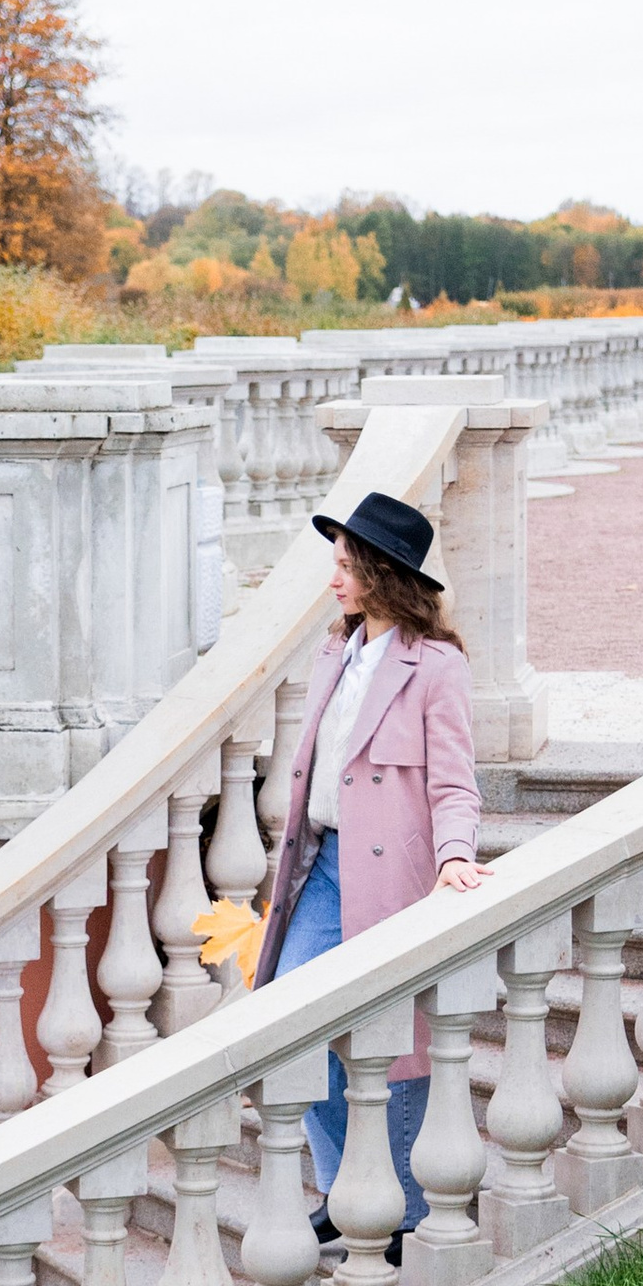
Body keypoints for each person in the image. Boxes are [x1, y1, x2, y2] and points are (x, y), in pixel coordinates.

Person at [257, 486, 488, 1244]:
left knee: (393, 1047)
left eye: (347, 566)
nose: (334, 579)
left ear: (385, 574)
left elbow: (454, 781)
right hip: (322, 868)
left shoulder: (436, 669)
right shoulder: (337, 651)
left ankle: (408, 1213)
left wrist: (455, 855)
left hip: (393, 881)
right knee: (292, 1017)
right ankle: (338, 1187)